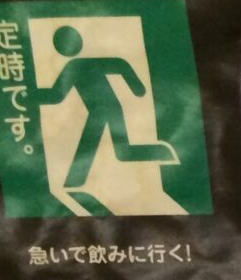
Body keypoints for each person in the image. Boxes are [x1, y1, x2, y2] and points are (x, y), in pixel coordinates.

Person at [38, 25, 176, 189]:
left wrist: (137, 87)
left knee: (107, 147)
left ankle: (74, 180)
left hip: (108, 109)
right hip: (99, 112)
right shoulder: (73, 67)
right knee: (104, 146)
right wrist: (137, 88)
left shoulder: (77, 65)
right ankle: (74, 180)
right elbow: (57, 94)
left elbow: (119, 65)